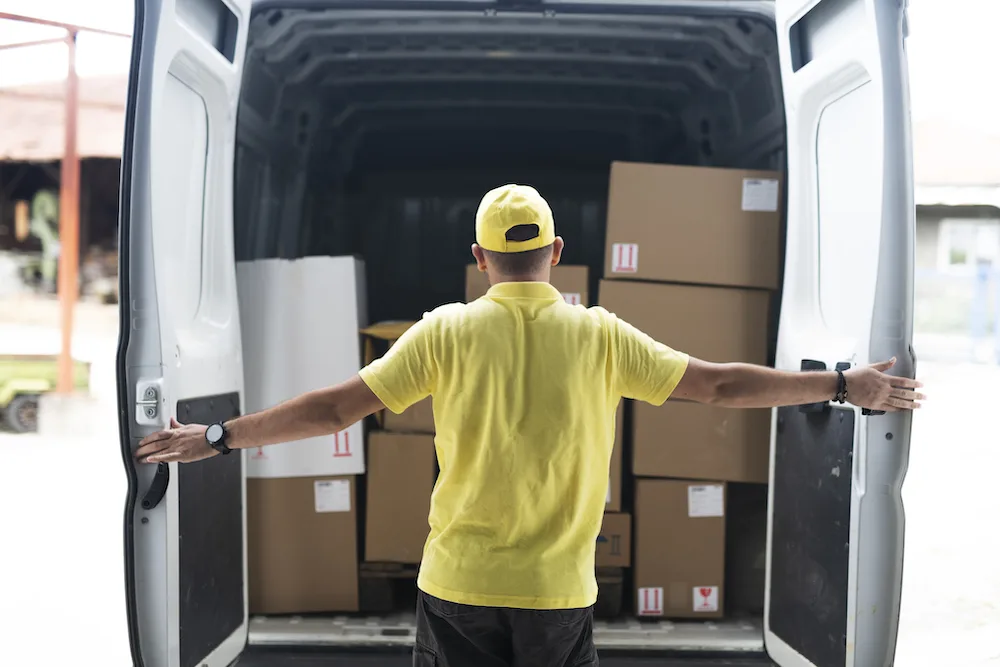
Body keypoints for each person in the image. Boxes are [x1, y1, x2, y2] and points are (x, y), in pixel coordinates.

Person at [136, 184, 924, 667]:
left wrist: (216, 437)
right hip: (557, 593)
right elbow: (719, 387)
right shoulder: (599, 335)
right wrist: (845, 383)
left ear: (479, 256)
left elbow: (335, 409)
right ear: (556, 251)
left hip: (456, 589)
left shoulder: (444, 331)